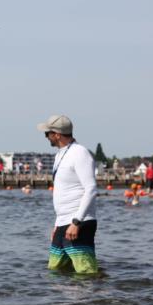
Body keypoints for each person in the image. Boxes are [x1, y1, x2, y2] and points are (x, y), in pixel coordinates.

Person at [36, 115, 98, 274]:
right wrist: (58, 224)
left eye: (47, 133)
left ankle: (90, 298)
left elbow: (91, 188)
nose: (46, 137)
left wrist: (76, 222)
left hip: (79, 222)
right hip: (63, 222)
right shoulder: (60, 155)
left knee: (86, 273)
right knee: (55, 271)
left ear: (56, 134)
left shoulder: (79, 153)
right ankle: (63, 300)